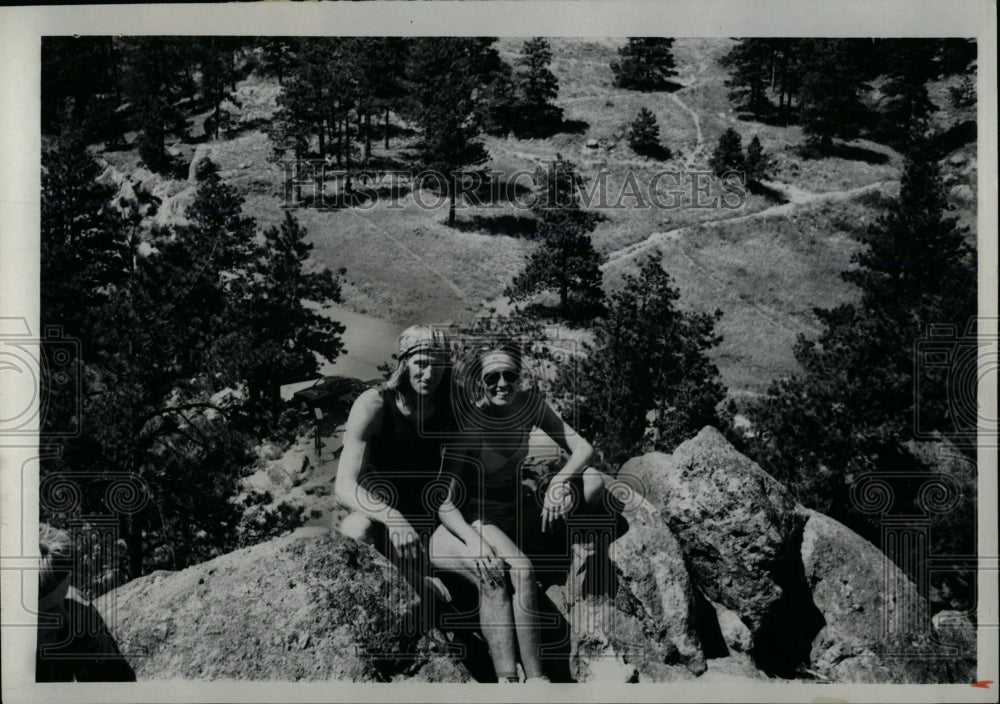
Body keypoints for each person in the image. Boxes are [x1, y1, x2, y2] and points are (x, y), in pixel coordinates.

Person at [430, 341, 608, 683]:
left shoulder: (529, 405)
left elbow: (584, 448)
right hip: (483, 515)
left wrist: (559, 482)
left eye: (508, 375)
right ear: (478, 382)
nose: (501, 383)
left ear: (519, 376)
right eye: (491, 377)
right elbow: (444, 501)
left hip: (518, 506)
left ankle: (563, 553)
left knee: (593, 482)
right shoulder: (469, 425)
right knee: (522, 571)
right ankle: (533, 680)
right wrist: (473, 541)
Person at [334, 324, 455, 605]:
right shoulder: (375, 405)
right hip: (380, 516)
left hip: (427, 518)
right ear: (404, 363)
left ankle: (422, 586)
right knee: (355, 528)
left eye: (438, 365)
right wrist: (392, 517)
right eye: (421, 363)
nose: (430, 374)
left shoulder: (448, 405)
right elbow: (343, 486)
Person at [36, 523, 136, 682]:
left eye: (63, 595)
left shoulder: (77, 609)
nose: (63, 614)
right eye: (51, 609)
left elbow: (119, 687)